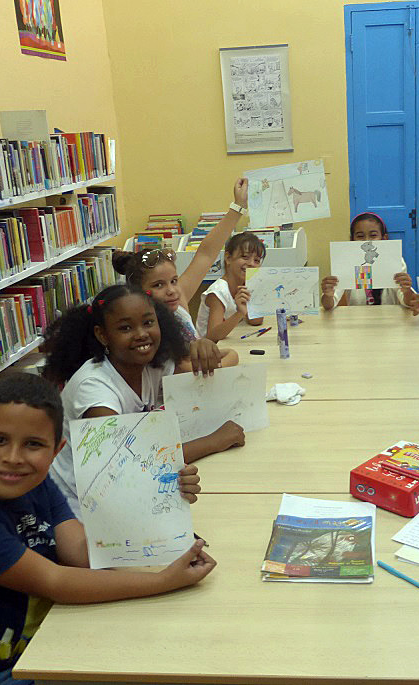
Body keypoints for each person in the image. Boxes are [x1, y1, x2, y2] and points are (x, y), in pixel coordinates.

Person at [0, 373, 216, 685]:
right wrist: (164, 581)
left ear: (56, 451)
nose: (13, 458)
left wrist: (158, 494)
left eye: (33, 445)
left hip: (35, 652)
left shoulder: (36, 484)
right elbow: (55, 581)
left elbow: (83, 554)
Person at [42, 284, 244, 515]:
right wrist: (214, 441)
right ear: (102, 335)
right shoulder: (94, 388)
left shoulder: (152, 364)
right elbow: (121, 464)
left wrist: (203, 347)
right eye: (126, 327)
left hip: (130, 489)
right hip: (78, 507)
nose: (141, 334)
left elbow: (214, 374)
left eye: (148, 322)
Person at [113, 178, 248, 352]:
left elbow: (206, 254)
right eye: (158, 285)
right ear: (139, 293)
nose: (171, 290)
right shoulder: (147, 331)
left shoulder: (177, 301)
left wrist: (238, 207)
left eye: (174, 281)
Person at [319, 212, 419, 314]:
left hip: (390, 321)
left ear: (384, 238)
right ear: (352, 240)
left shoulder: (394, 261)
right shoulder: (346, 262)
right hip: (357, 322)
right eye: (360, 236)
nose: (367, 241)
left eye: (373, 235)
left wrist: (406, 290)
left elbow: (406, 300)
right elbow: (328, 305)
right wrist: (328, 294)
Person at [195, 231, 266, 341]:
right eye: (245, 257)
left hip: (231, 342)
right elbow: (213, 336)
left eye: (256, 260)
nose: (251, 263)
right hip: (209, 351)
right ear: (228, 258)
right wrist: (240, 313)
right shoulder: (218, 292)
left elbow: (256, 321)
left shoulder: (246, 285)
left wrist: (254, 297)